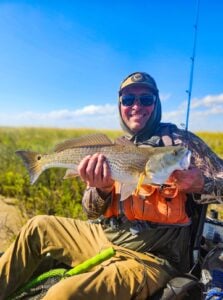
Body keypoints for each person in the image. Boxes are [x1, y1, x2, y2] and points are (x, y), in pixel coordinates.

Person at [0, 72, 223, 300]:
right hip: (106, 237)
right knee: (37, 226)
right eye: (128, 100)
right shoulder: (115, 147)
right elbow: (91, 212)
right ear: (120, 106)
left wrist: (202, 184)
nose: (136, 106)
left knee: (63, 294)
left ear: (156, 103)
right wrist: (101, 189)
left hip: (151, 258)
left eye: (145, 99)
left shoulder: (181, 144)